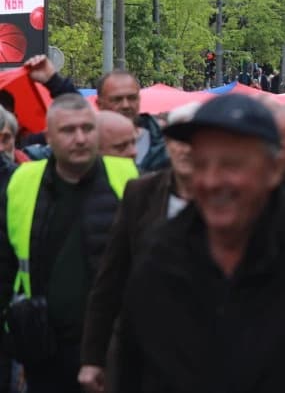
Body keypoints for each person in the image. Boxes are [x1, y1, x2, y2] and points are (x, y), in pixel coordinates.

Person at [114, 93, 285, 392]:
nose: (212, 181)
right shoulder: (160, 256)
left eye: (231, 165)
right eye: (201, 164)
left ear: (273, 171)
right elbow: (132, 367)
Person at [0, 94, 138, 392]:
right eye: (68, 130)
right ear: (48, 137)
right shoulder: (21, 182)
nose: (80, 138)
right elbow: (5, 264)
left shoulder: (129, 178)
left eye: (87, 129)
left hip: (114, 348)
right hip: (42, 348)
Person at [79, 102, 200, 393]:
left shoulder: (230, 196)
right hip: (144, 352)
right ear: (167, 143)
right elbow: (110, 281)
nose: (186, 149)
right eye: (178, 139)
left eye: (195, 140)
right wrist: (93, 358)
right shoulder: (140, 192)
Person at [95, 70, 168, 172]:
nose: (126, 105)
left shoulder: (166, 142)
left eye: (132, 98)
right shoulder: (85, 144)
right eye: (117, 99)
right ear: (99, 104)